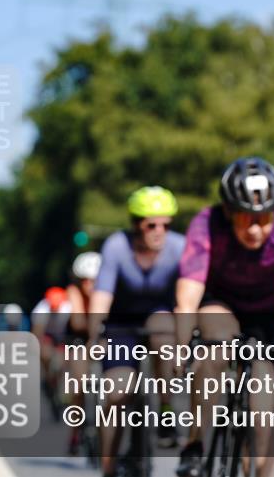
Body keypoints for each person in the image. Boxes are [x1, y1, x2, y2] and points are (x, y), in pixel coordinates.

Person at [174, 157, 274, 477]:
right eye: (245, 218)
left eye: (264, 218)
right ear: (229, 212)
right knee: (213, 346)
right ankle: (196, 440)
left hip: (269, 316)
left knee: (261, 417)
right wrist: (182, 346)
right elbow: (188, 295)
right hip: (221, 304)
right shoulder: (207, 224)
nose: (255, 228)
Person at [88, 186, 186, 477]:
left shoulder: (179, 248)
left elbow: (186, 299)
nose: (160, 231)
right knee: (117, 394)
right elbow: (102, 295)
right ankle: (108, 466)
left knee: (164, 326)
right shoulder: (117, 246)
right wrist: (95, 336)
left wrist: (184, 342)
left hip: (161, 317)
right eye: (151, 225)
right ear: (135, 225)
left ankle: (166, 409)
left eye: (166, 225)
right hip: (121, 325)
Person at [63, 251, 102, 455]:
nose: (90, 285)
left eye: (94, 281)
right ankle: (75, 432)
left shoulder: (107, 291)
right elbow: (78, 322)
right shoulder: (73, 292)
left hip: (102, 337)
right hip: (78, 338)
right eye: (85, 281)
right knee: (78, 385)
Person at [31, 286, 71, 413]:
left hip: (63, 336)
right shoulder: (41, 309)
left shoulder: (68, 308)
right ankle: (48, 379)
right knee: (46, 355)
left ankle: (60, 384)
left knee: (62, 362)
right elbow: (38, 334)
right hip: (47, 335)